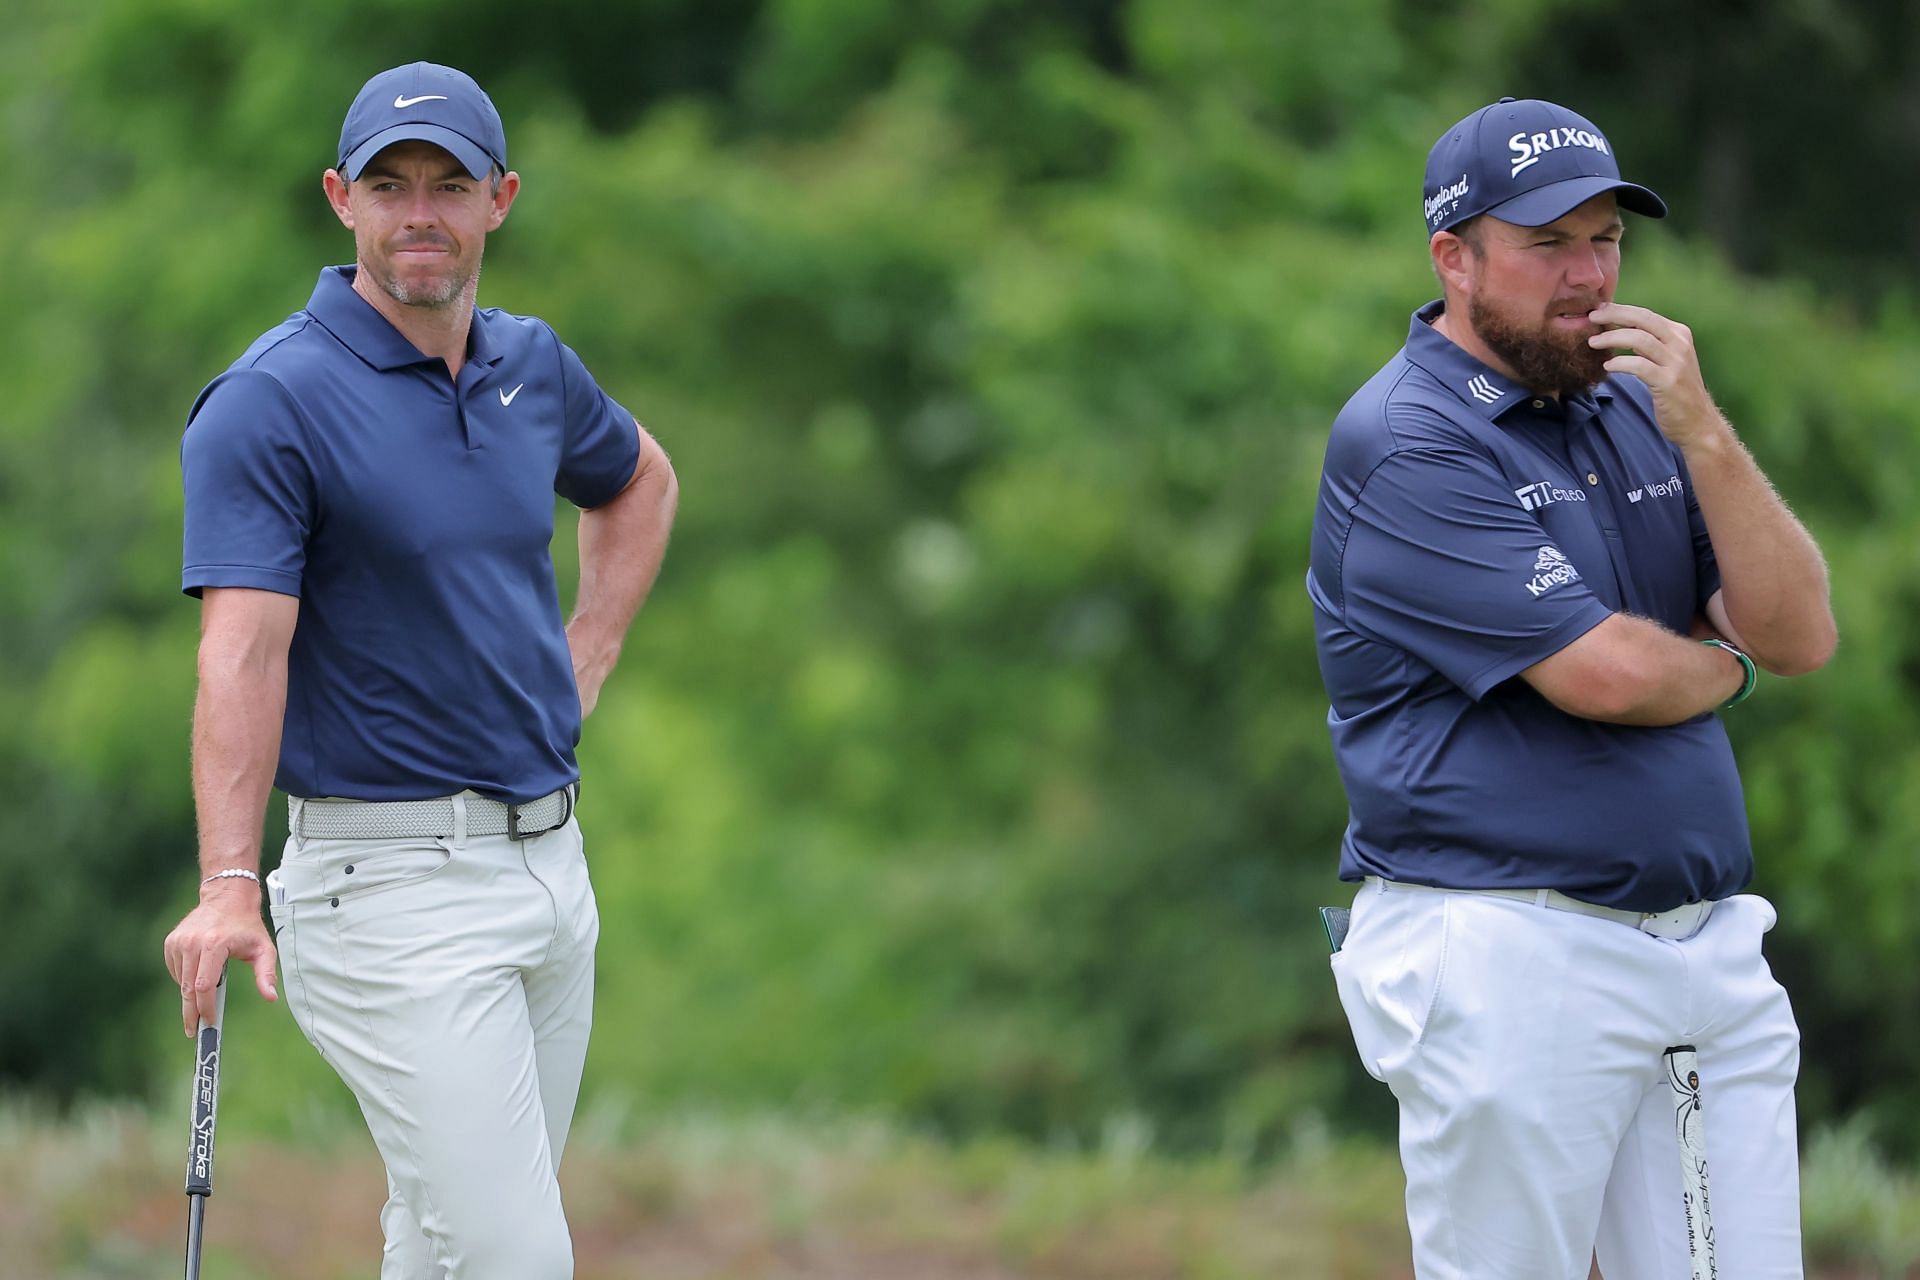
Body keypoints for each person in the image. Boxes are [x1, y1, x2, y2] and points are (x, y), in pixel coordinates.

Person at [161, 61, 678, 1279]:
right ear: (342, 199)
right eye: (389, 186)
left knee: (441, 1250)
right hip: (386, 894)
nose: (420, 212)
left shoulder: (529, 367)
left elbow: (640, 481)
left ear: (500, 199)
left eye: (449, 183)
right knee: (514, 1260)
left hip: (552, 874)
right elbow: (240, 649)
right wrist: (230, 880)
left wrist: (587, 650)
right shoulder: (271, 399)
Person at [1308, 97, 1836, 1279]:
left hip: (1702, 953)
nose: (1587, 274)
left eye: (1605, 240)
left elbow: (1800, 627)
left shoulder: (1638, 406)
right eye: (1548, 243)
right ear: (1456, 255)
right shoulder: (1405, 436)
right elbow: (1605, 671)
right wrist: (1725, 658)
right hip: (1504, 947)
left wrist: (1702, 430)